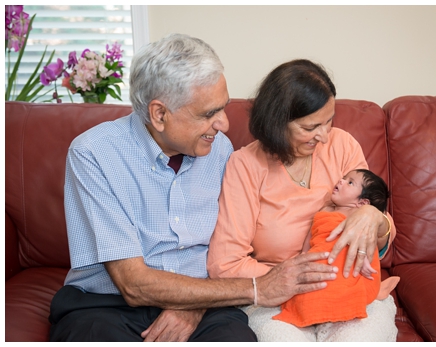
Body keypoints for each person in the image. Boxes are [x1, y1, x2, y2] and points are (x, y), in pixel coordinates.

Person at [49, 34, 338, 342]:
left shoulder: (221, 150)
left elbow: (229, 252)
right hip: (106, 305)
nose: (224, 124)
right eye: (208, 114)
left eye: (223, 108)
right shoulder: (93, 153)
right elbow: (132, 283)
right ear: (159, 114)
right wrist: (258, 288)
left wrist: (195, 304)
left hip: (208, 303)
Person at [206, 59, 396, 342]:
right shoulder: (245, 165)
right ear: (276, 123)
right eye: (310, 127)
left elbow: (383, 233)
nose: (324, 135)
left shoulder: (342, 145)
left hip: (350, 287)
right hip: (278, 296)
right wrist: (293, 277)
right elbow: (225, 264)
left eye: (329, 120)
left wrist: (375, 219)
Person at [274, 169, 400, 341]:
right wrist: (301, 260)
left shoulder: (359, 216)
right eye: (344, 178)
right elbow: (310, 243)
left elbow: (366, 242)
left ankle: (341, 305)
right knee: (306, 290)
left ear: (362, 203)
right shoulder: (324, 210)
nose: (340, 181)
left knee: (347, 281)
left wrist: (364, 257)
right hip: (320, 260)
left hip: (346, 267)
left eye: (350, 182)